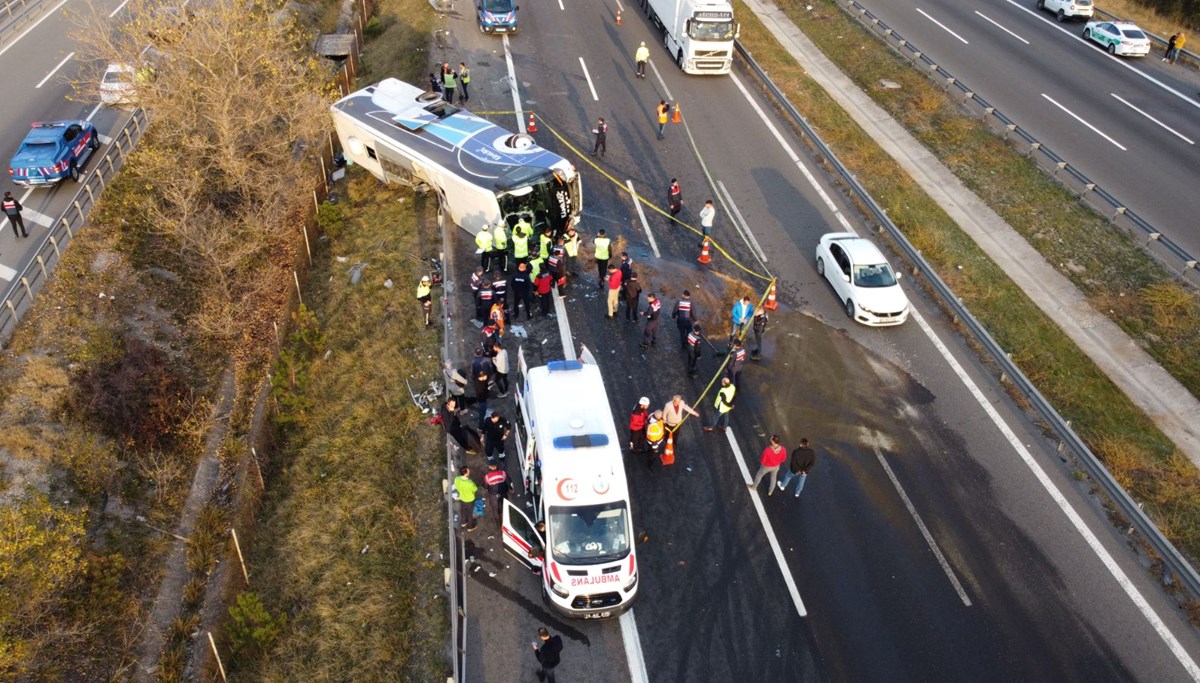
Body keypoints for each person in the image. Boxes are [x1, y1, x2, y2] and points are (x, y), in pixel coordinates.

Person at [454, 466, 479, 530]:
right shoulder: (470, 483)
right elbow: (475, 489)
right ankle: (470, 527)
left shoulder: (457, 479)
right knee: (470, 513)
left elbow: (456, 486)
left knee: (463, 510)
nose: (469, 471)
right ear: (466, 473)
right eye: (468, 470)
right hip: (470, 499)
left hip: (462, 498)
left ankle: (463, 522)